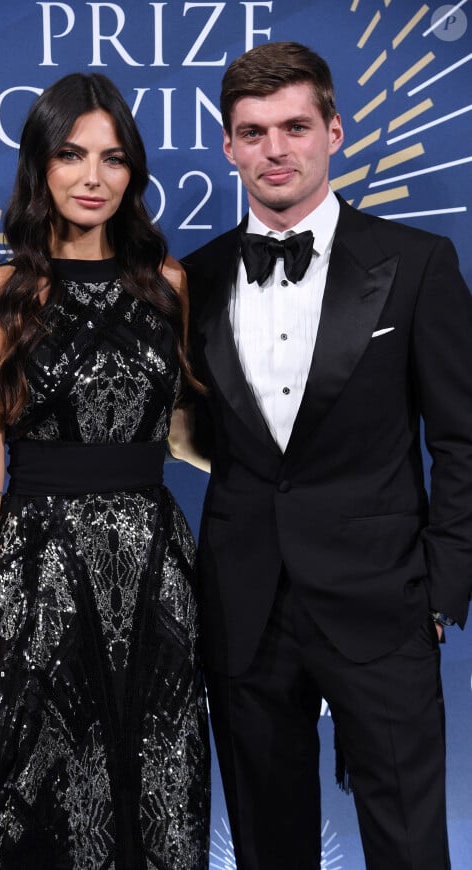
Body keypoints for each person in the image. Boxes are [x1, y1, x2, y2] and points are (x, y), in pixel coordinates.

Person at [0, 72, 210, 869]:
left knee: (156, 798)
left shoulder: (169, 287)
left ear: (133, 172)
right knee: (14, 807)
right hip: (35, 578)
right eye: (71, 155)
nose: (92, 177)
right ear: (41, 167)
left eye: (111, 158)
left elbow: (179, 435)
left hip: (154, 583)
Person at [174, 40, 472, 870]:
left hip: (385, 603)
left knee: (411, 844)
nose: (276, 148)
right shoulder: (189, 282)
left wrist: (444, 586)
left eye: (296, 126)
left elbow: (462, 440)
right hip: (243, 607)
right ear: (228, 145)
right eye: (254, 130)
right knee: (269, 849)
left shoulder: (417, 266)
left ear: (334, 131)